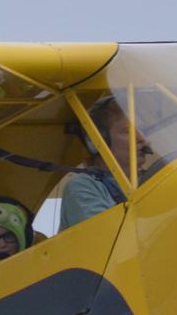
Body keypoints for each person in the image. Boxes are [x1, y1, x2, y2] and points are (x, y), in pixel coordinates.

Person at [59, 99, 139, 231]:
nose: (142, 139)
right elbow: (109, 237)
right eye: (127, 132)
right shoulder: (82, 186)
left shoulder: (150, 179)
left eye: (142, 130)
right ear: (97, 141)